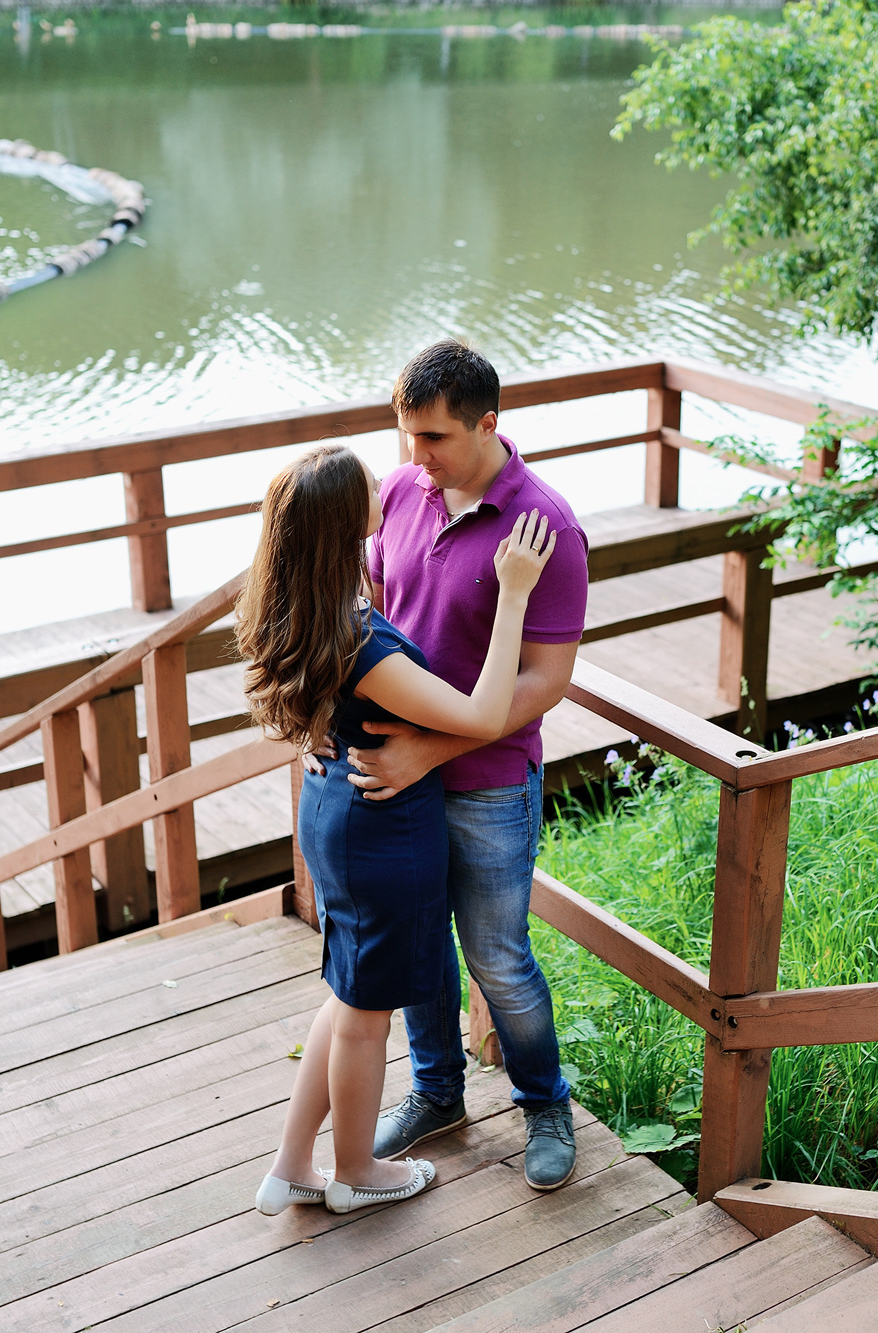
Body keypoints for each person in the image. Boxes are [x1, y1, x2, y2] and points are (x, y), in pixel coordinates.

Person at [239, 443, 557, 1216]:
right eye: (369, 485)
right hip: (380, 832)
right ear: (347, 520)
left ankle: (291, 1163)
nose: (391, 479)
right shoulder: (363, 644)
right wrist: (512, 594)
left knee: (347, 999)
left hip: (335, 811)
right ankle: (356, 1172)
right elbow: (484, 713)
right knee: (364, 1016)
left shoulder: (308, 608)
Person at [320, 340, 589, 1191]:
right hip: (401, 779)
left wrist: (426, 750)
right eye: (404, 434)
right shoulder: (402, 491)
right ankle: (437, 1092)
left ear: (487, 424)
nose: (413, 457)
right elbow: (372, 609)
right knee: (418, 953)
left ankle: (545, 1100)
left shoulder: (546, 525)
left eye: (432, 437)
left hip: (488, 783)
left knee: (496, 957)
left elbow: (545, 680)